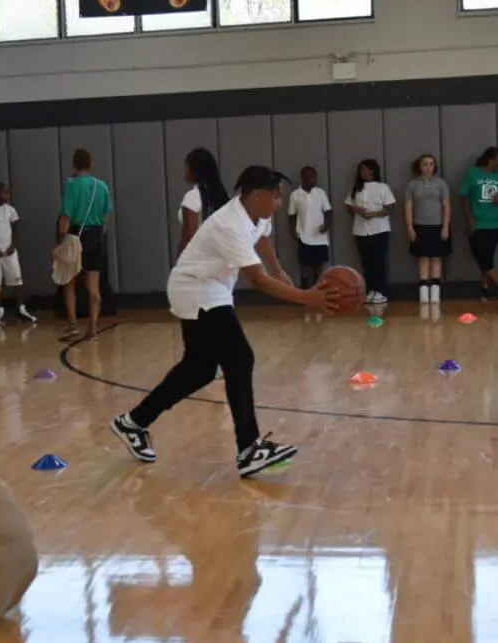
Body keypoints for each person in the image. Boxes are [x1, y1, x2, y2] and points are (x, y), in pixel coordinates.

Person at [110, 166, 339, 479]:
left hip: (210, 288)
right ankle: (249, 449)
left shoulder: (257, 214)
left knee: (199, 369)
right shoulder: (228, 224)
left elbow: (263, 240)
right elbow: (256, 280)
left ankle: (132, 422)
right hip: (196, 288)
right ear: (256, 195)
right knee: (240, 357)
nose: (278, 203)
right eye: (275, 197)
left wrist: (278, 269)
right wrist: (304, 297)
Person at [58, 148, 113, 342]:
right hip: (97, 236)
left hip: (76, 234)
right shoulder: (102, 186)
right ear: (90, 164)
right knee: (93, 286)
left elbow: (66, 216)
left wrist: (61, 241)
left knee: (69, 281)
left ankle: (73, 324)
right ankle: (93, 329)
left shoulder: (72, 185)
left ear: (74, 163)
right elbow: (107, 216)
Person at [0, 182, 35, 326]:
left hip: (9, 252)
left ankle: (21, 310)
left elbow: (16, 230)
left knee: (17, 280)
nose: (6, 195)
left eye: (7, 192)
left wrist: (12, 246)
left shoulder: (11, 210)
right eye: (3, 193)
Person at [462, 148, 498, 299]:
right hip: (478, 223)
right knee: (481, 255)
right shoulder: (473, 173)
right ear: (490, 160)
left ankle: (485, 288)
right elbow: (463, 196)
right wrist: (468, 219)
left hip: (497, 223)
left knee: (486, 257)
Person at [346, 159, 395, 306]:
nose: (364, 173)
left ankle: (381, 291)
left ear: (373, 171)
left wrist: (373, 214)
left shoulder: (382, 187)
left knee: (378, 261)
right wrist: (355, 210)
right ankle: (370, 289)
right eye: (361, 170)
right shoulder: (356, 189)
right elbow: (348, 205)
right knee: (366, 262)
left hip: (379, 230)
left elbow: (390, 207)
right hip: (361, 230)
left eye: (366, 170)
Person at [404, 155, 451, 306]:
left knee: (436, 259)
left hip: (437, 226)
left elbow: (446, 206)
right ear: (419, 167)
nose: (428, 167)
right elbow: (408, 207)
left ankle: (435, 294)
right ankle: (424, 295)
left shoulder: (441, 184)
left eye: (431, 164)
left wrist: (445, 227)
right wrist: (410, 226)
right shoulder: (412, 185)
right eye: (425, 164)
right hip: (420, 226)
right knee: (423, 259)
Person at [178, 147, 229, 256]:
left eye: (186, 168)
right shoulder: (224, 197)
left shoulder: (192, 197)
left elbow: (188, 238)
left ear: (194, 170)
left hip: (199, 260)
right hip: (223, 259)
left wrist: (178, 267)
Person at [288, 165, 332, 292]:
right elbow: (291, 215)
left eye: (314, 177)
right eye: (310, 177)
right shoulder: (295, 195)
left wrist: (326, 225)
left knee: (319, 265)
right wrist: (292, 232)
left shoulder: (320, 193)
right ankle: (305, 291)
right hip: (304, 235)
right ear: (303, 178)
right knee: (305, 265)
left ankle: (319, 290)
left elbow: (328, 211)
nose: (313, 180)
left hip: (319, 236)